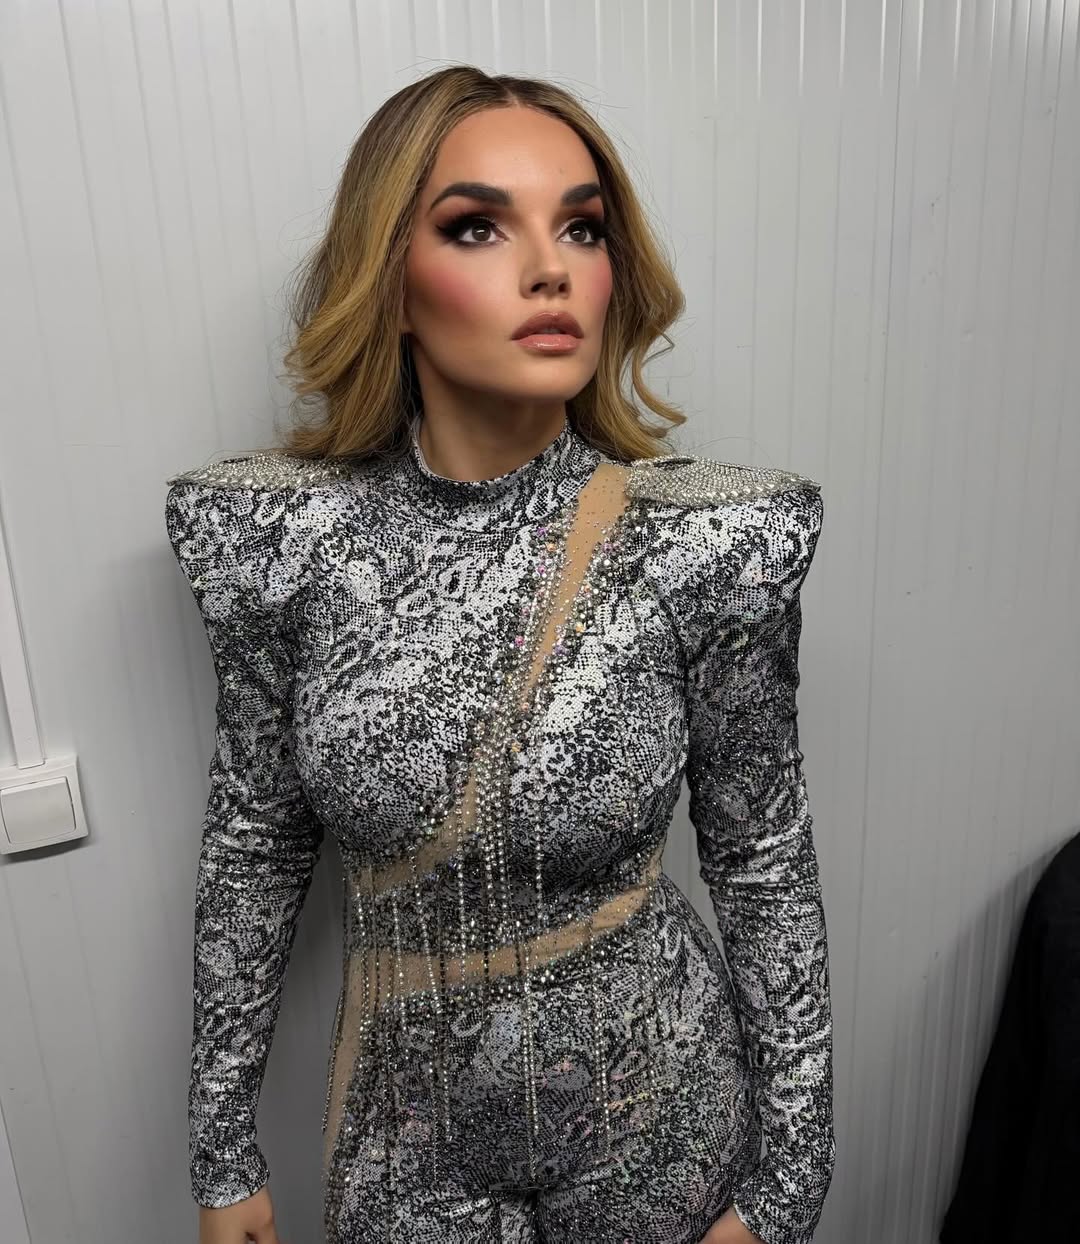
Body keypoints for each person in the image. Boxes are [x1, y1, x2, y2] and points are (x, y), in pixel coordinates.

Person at [165, 66, 835, 1244]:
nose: (550, 268)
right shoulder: (285, 542)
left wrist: (787, 1185)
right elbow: (256, 842)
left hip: (660, 1117)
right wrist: (221, 1155)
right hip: (403, 1137)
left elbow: (761, 855)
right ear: (392, 282)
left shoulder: (703, 545)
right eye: (477, 226)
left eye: (582, 227)